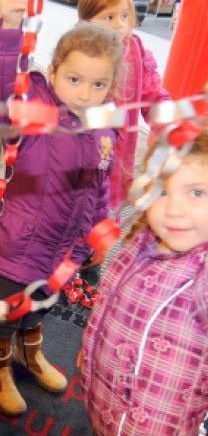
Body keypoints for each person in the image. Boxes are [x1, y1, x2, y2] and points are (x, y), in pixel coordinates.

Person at [0, 0, 124, 416]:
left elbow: (98, 188)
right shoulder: (37, 112)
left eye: (98, 85)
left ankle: (30, 350)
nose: (85, 93)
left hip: (64, 248)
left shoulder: (102, 127)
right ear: (55, 70)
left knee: (42, 302)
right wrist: (9, 26)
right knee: (4, 310)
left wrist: (97, 236)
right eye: (75, 79)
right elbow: (0, 93)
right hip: (21, 243)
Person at [80, 128, 208, 435]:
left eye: (197, 192)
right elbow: (108, 303)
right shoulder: (139, 241)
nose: (174, 209)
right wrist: (92, 345)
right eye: (162, 191)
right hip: (102, 399)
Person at [77, 0, 170, 285]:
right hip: (78, 158)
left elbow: (153, 95)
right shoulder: (77, 54)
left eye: (125, 16)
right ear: (85, 22)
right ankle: (64, 268)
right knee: (75, 215)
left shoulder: (137, 51)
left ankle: (90, 271)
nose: (119, 24)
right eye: (109, 17)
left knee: (104, 218)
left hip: (117, 161)